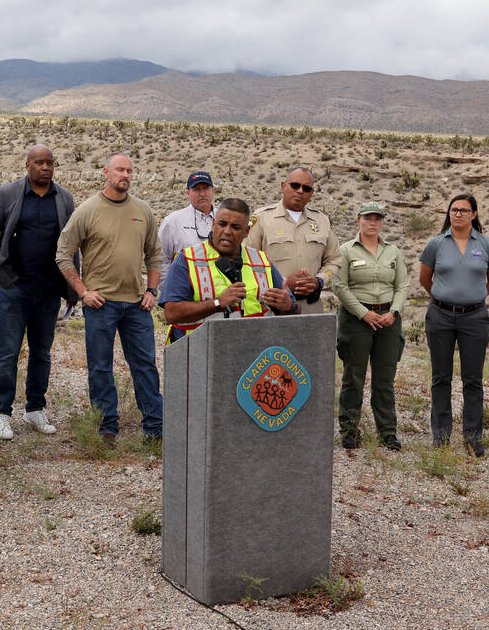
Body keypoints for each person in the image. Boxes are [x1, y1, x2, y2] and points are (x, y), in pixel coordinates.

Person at [55, 153, 164, 445]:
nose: (125, 175)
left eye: (129, 170)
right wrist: (82, 291)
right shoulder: (88, 210)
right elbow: (64, 253)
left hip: (137, 304)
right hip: (100, 304)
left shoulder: (143, 210)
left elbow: (154, 254)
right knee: (100, 367)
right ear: (106, 172)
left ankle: (155, 429)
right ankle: (107, 429)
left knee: (145, 365)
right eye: (119, 170)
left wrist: (152, 291)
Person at [0, 144, 75, 440]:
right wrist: (1, 274)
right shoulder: (8, 194)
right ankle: (2, 413)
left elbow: (70, 243)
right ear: (27, 165)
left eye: (50, 162)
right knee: (8, 352)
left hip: (49, 289)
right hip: (16, 288)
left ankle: (35, 408)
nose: (46, 167)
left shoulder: (63, 198)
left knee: (41, 352)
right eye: (39, 162)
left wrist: (73, 286)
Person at [418, 193, 489, 456]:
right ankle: (441, 435)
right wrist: (448, 298)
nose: (458, 214)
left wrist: (470, 299)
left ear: (474, 215)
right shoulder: (436, 244)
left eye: (464, 210)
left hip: (474, 318)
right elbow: (425, 279)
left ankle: (472, 437)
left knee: (472, 379)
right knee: (440, 377)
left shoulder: (487, 245)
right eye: (454, 210)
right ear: (449, 213)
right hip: (440, 315)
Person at [159, 197, 296, 343]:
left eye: (236, 227)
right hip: (199, 354)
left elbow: (292, 308)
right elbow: (171, 313)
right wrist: (217, 303)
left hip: (254, 354)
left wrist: (288, 307)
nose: (227, 231)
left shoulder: (261, 261)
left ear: (246, 231)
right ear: (213, 224)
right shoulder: (187, 260)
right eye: (222, 224)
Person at [332, 202, 408, 451]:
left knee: (384, 380)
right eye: (368, 218)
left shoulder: (392, 252)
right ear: (358, 220)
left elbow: (402, 286)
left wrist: (394, 312)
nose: (373, 222)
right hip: (356, 321)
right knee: (353, 377)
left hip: (388, 321)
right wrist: (363, 314)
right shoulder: (345, 251)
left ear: (382, 222)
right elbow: (339, 286)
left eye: (377, 218)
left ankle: (388, 432)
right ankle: (350, 431)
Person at [244, 167, 342, 314]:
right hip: (272, 305)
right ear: (283, 186)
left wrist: (318, 281)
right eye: (295, 185)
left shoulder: (322, 221)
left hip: (310, 305)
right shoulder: (262, 218)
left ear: (311, 193)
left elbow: (334, 260)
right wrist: (283, 282)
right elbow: (247, 259)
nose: (300, 191)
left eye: (306, 188)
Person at [158, 171, 216, 279]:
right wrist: (169, 288)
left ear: (213, 191)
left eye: (205, 188)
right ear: (188, 193)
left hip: (221, 291)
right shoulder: (173, 221)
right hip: (184, 291)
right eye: (196, 189)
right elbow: (161, 260)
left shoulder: (224, 219)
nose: (202, 193)